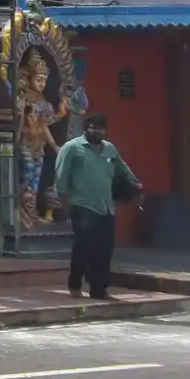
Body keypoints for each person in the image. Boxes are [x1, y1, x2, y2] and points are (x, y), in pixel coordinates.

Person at [52, 112, 140, 299]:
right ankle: (75, 282)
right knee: (84, 245)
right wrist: (64, 201)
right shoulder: (72, 148)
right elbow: (61, 177)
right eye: (93, 127)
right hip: (82, 205)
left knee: (104, 249)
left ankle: (98, 288)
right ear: (85, 128)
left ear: (105, 131)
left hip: (106, 207)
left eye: (100, 128)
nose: (96, 131)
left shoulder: (110, 150)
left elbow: (123, 170)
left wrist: (136, 186)